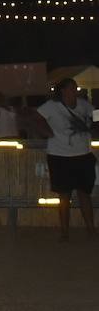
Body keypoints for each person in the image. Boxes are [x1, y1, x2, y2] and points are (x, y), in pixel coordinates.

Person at [36, 77, 96, 242]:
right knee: (64, 196)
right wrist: (46, 131)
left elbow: (96, 115)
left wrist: (95, 124)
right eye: (71, 88)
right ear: (62, 90)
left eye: (75, 88)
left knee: (85, 193)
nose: (74, 90)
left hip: (83, 155)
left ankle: (91, 228)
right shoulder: (52, 106)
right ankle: (64, 232)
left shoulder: (84, 104)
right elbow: (38, 118)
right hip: (60, 156)